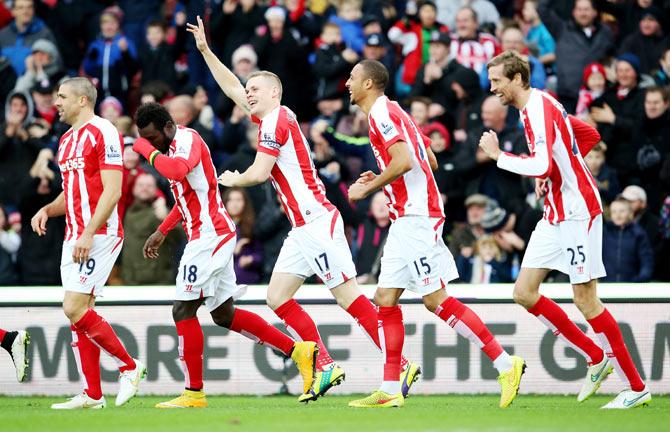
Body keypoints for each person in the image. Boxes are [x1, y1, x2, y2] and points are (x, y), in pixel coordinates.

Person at [188, 16, 421, 403]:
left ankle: (401, 363)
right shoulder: (270, 117)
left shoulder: (277, 119)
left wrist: (230, 179)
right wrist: (207, 51)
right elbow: (230, 87)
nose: (248, 94)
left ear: (274, 93)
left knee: (349, 298)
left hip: (317, 220)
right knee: (277, 297)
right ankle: (326, 364)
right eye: (248, 90)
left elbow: (260, 173)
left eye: (255, 89)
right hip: (302, 226)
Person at [345, 59, 523, 409]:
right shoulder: (397, 111)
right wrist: (383, 175)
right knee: (385, 299)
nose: (347, 84)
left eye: (352, 78)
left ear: (368, 83)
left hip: (417, 216)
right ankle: (390, 388)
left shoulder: (381, 114)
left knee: (435, 300)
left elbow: (406, 162)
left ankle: (506, 364)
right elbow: (430, 159)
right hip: (406, 217)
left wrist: (369, 189)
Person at [479, 50, 651, 409]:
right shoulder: (540, 105)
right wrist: (554, 175)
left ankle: (635, 387)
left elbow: (542, 160)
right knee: (524, 292)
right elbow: (586, 135)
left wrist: (499, 156)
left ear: (516, 79)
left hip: (577, 212)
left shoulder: (538, 110)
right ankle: (594, 355)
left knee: (585, 299)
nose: (492, 87)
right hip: (554, 213)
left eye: (497, 80)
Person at [132, 102, 319, 408]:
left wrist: (143, 149)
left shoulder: (187, 141)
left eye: (153, 138)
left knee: (182, 310)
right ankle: (298, 351)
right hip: (206, 235)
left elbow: (177, 171)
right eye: (146, 140)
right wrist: (162, 230)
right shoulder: (169, 149)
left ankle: (193, 393)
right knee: (223, 315)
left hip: (210, 237)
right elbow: (188, 197)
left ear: (167, 127)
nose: (151, 144)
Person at [30, 77, 145, 410]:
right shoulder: (66, 141)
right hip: (75, 234)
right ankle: (93, 393)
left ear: (83, 100)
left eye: (62, 96)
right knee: (80, 313)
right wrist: (48, 210)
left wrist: (89, 232)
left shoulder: (104, 131)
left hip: (100, 233)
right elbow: (73, 192)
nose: (57, 102)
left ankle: (130, 365)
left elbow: (113, 190)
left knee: (73, 307)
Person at [602, 197, 654, 282]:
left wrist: (641, 279)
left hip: (631, 287)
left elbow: (646, 260)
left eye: (622, 211)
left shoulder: (638, 233)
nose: (618, 215)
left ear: (630, 213)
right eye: (614, 212)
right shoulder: (604, 232)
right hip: (607, 285)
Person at [223, 187, 264, 285]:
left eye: (238, 200)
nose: (234, 204)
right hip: (225, 280)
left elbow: (260, 255)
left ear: (245, 202)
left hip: (246, 279)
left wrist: (250, 259)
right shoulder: (220, 228)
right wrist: (234, 251)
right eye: (230, 200)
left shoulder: (251, 226)